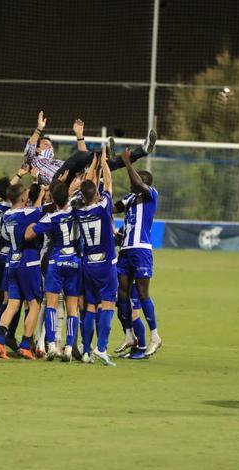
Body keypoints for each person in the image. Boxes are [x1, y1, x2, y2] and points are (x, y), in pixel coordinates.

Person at [25, 178, 82, 362]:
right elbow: (73, 199)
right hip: (74, 261)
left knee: (50, 305)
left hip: (55, 262)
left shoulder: (51, 217)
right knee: (72, 308)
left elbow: (29, 234)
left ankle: (50, 345)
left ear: (53, 200)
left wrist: (32, 224)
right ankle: (68, 349)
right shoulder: (75, 210)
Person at [113, 149, 160, 359]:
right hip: (125, 250)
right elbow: (113, 208)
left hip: (141, 249)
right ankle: (130, 335)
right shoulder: (131, 198)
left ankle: (155, 336)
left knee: (142, 294)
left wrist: (126, 162)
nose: (131, 181)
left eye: (135, 179)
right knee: (121, 294)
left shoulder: (151, 194)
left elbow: (139, 184)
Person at [24, 111, 157, 185]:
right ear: (37, 149)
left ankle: (142, 151)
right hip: (57, 183)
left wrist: (79, 135)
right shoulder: (34, 161)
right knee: (78, 157)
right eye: (46, 145)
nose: (50, 147)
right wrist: (39, 128)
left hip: (73, 181)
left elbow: (84, 156)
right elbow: (30, 146)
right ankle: (104, 153)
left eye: (51, 145)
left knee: (108, 163)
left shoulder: (58, 162)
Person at [0, 182, 46, 360]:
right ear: (23, 197)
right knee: (35, 304)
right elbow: (40, 210)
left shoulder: (6, 215)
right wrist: (41, 194)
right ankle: (25, 345)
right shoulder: (26, 213)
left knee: (13, 303)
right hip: (28, 263)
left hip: (12, 262)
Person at [75, 152, 118, 366]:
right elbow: (108, 181)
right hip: (105, 265)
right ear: (97, 193)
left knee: (90, 307)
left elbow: (87, 185)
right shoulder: (103, 208)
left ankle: (85, 350)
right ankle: (101, 348)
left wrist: (93, 165)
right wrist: (103, 163)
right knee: (108, 305)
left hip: (87, 264)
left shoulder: (80, 211)